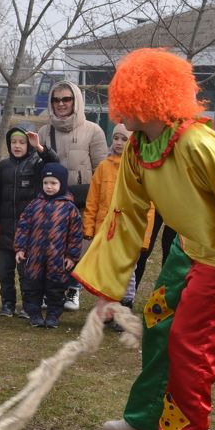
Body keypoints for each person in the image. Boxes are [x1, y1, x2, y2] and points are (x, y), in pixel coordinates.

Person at [74, 48, 215, 430]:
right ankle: (146, 417)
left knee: (190, 346)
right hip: (187, 251)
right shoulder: (142, 147)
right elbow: (125, 212)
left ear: (148, 100)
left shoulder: (198, 143)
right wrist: (107, 279)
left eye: (127, 101)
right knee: (158, 320)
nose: (119, 113)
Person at [37, 80, 108, 311]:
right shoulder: (44, 132)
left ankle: (72, 289)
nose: (61, 104)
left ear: (75, 100)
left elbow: (102, 170)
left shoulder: (93, 130)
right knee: (51, 245)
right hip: (51, 200)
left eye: (66, 99)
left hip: (81, 199)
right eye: (56, 99)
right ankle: (51, 289)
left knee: (76, 246)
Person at [0, 123, 59, 318]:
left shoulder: (37, 164)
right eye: (13, 142)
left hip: (29, 233)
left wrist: (39, 147)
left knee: (27, 273)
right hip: (6, 230)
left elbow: (55, 163)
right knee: (4, 271)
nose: (17, 146)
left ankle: (29, 306)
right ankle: (7, 304)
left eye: (21, 142)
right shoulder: (3, 166)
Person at [82, 124, 154, 315]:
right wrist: (89, 229)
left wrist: (144, 237)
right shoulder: (103, 168)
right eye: (116, 138)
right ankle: (107, 309)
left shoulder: (141, 168)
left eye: (124, 139)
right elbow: (93, 201)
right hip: (105, 231)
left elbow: (149, 207)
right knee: (106, 272)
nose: (119, 143)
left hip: (130, 232)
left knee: (127, 272)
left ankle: (125, 307)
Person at [14, 163, 83, 329]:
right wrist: (20, 248)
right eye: (46, 183)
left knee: (56, 288)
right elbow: (23, 227)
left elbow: (75, 235)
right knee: (32, 287)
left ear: (62, 184)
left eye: (53, 183)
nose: (49, 187)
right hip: (35, 256)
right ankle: (35, 314)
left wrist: (71, 256)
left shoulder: (69, 208)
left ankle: (53, 315)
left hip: (57, 258)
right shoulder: (34, 205)